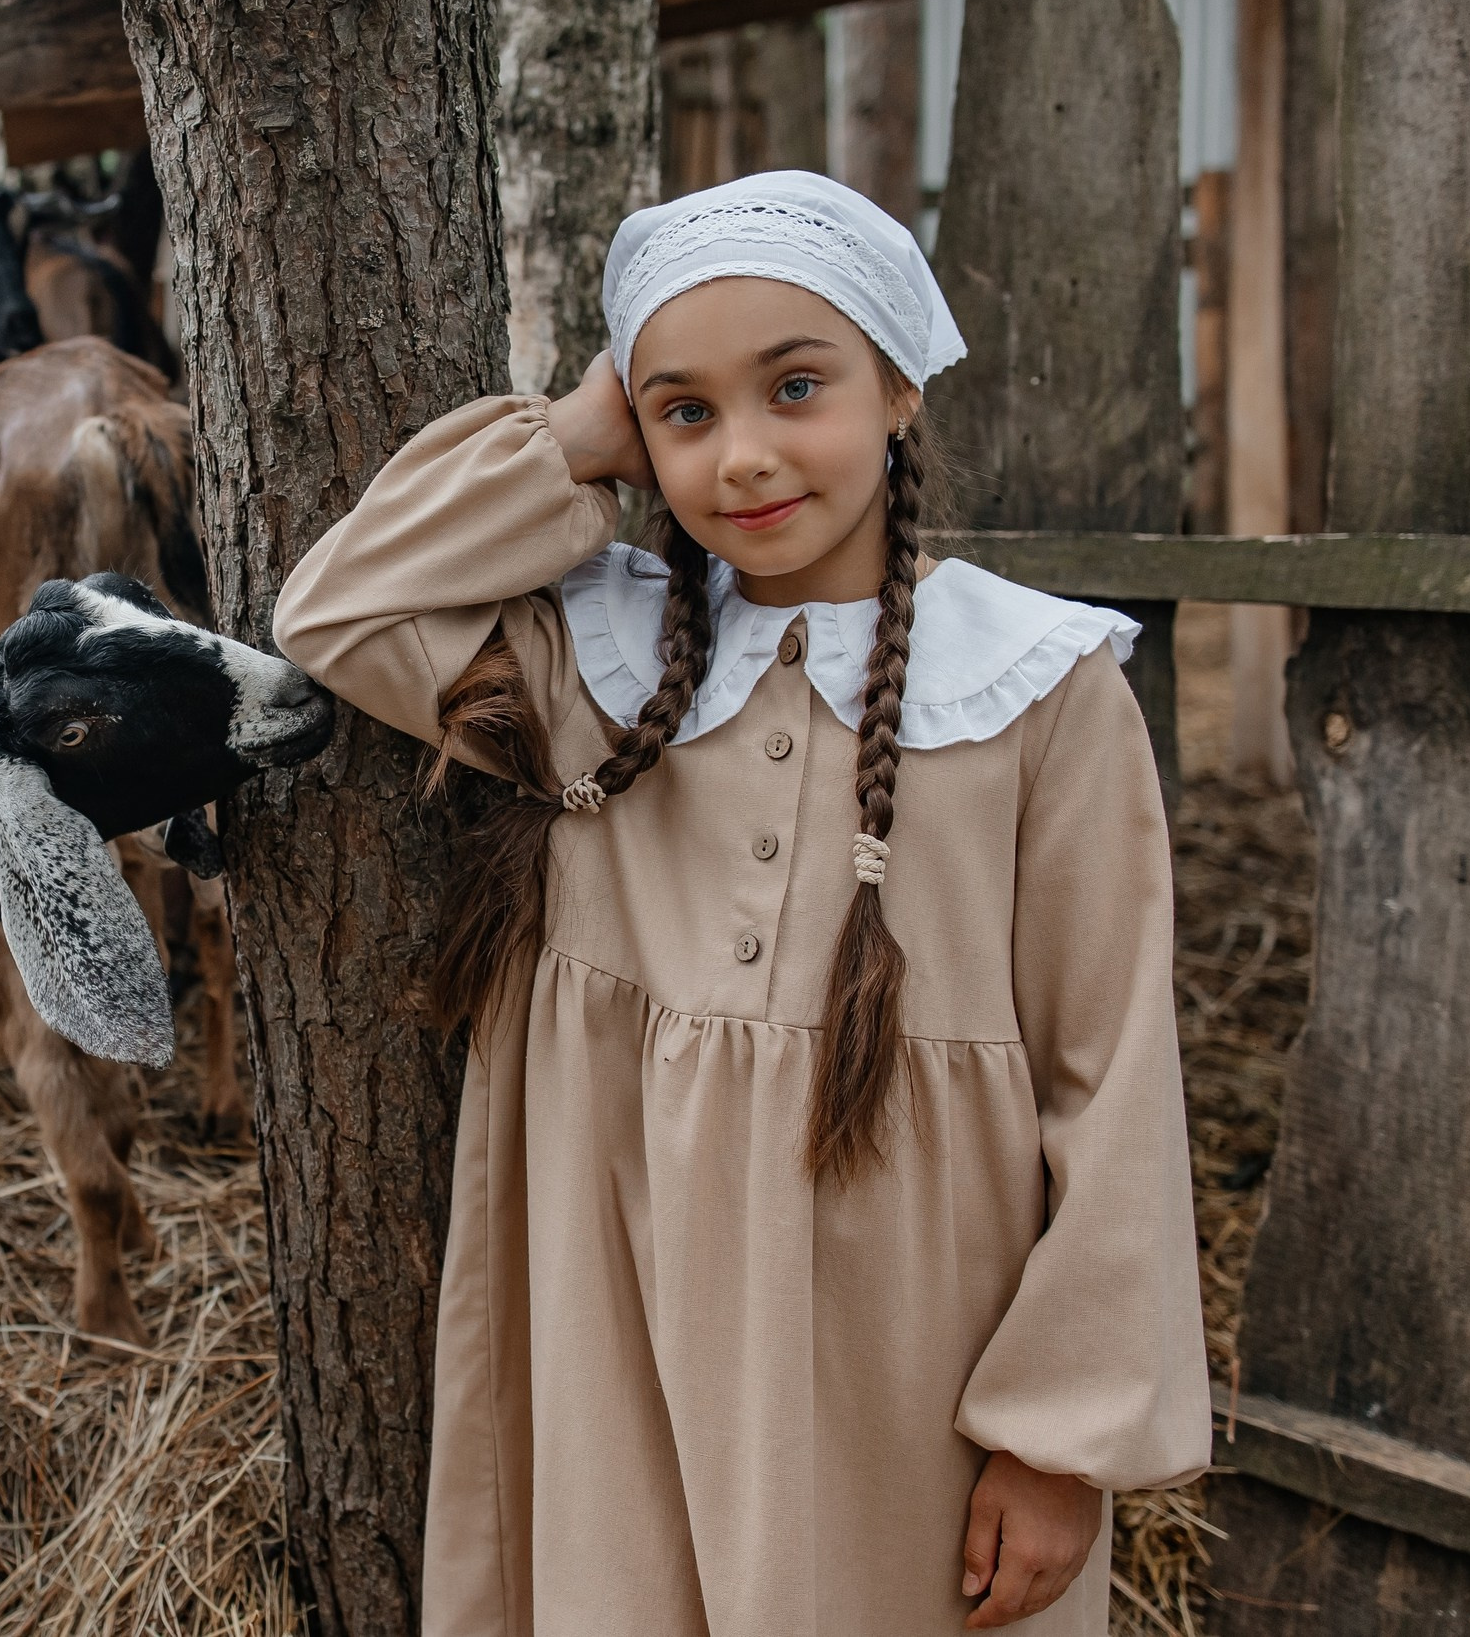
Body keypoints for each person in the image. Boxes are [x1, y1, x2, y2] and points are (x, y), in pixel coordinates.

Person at [272, 172, 1209, 1635]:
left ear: (900, 385)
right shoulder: (595, 658)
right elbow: (337, 611)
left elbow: (1114, 1071)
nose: (745, 456)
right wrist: (582, 434)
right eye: (687, 411)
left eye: (796, 386)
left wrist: (1061, 1437)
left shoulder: (1040, 690)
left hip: (905, 1335)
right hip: (613, 1289)